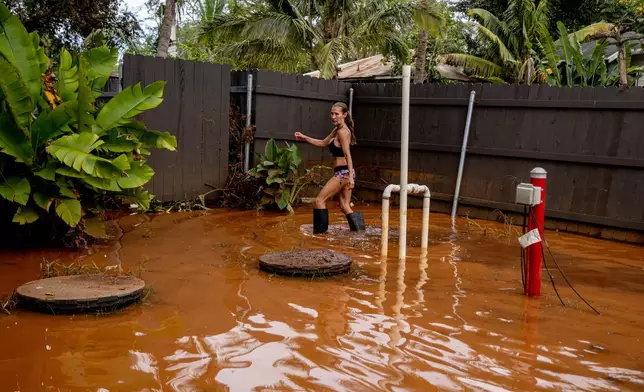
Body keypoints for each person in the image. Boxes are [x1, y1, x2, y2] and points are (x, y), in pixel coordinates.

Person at [294, 102, 365, 234]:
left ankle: (320, 235)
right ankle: (360, 232)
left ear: (344, 115)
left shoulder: (343, 132)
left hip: (343, 174)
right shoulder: (337, 130)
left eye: (336, 114)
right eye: (332, 113)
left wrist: (350, 177)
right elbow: (323, 142)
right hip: (344, 173)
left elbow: (347, 154)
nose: (333, 116)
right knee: (344, 206)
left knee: (319, 200)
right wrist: (304, 137)